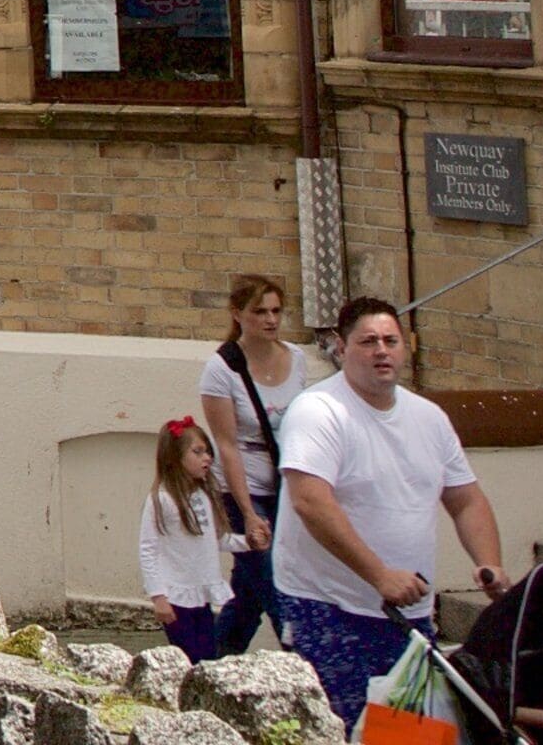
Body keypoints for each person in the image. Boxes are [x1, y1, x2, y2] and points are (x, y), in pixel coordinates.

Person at [274, 297, 507, 731]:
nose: (382, 350)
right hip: (329, 608)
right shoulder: (318, 411)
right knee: (347, 729)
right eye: (367, 342)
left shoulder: (429, 418)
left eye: (390, 341)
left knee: (406, 733)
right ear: (341, 348)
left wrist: (487, 562)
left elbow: (465, 499)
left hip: (410, 614)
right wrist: (379, 574)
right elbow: (310, 501)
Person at [196, 272, 323, 655]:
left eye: (276, 311)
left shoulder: (296, 359)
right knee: (275, 585)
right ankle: (308, 666)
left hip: (286, 484)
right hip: (242, 490)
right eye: (259, 312)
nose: (270, 320)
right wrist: (248, 514)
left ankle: (211, 665)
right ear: (238, 314)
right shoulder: (223, 369)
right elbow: (227, 445)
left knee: (248, 597)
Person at [141, 418, 237, 668]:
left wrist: (249, 542)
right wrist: (158, 596)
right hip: (176, 597)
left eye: (208, 452)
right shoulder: (161, 500)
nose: (207, 458)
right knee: (189, 660)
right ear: (174, 457)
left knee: (207, 659)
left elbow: (215, 540)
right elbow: (148, 549)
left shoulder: (204, 496)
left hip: (200, 595)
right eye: (198, 452)